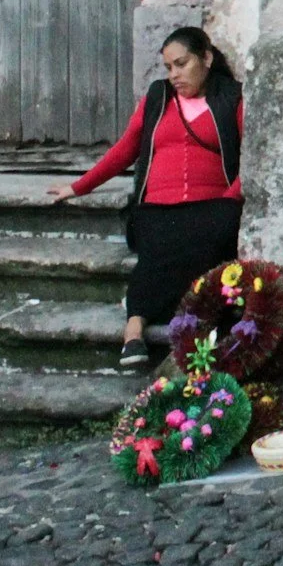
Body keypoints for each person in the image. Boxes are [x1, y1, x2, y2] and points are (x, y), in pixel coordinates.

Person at [51, 27, 246, 368]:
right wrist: (79, 187)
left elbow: (253, 157)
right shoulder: (157, 98)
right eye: (168, 68)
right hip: (158, 207)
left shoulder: (232, 98)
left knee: (209, 238)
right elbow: (125, 149)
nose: (173, 75)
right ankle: (134, 329)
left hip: (213, 206)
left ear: (206, 58)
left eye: (181, 64)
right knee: (159, 241)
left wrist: (229, 200)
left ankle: (193, 324)